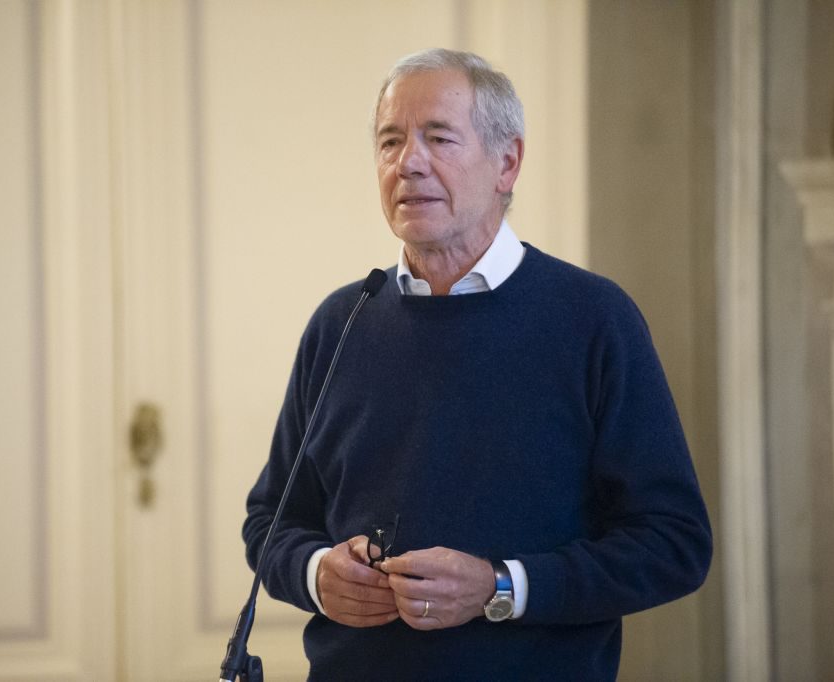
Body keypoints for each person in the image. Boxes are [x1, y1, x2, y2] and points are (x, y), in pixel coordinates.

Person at [242, 48, 712, 681]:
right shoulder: (341, 321)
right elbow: (271, 522)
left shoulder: (595, 318)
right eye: (390, 142)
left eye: (439, 138)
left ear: (507, 163)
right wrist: (316, 576)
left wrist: (501, 587)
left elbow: (673, 543)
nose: (408, 163)